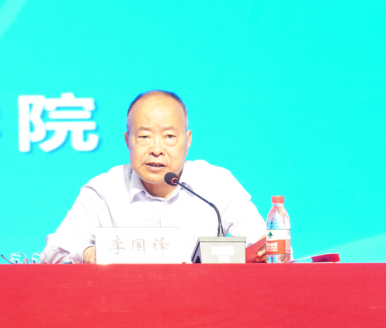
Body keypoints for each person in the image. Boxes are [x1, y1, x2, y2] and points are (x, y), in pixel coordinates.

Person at [41, 90, 267, 263]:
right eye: (144, 137)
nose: (156, 149)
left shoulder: (216, 184)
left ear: (188, 141)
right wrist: (87, 252)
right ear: (128, 141)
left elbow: (265, 247)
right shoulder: (103, 191)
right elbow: (52, 252)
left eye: (169, 136)